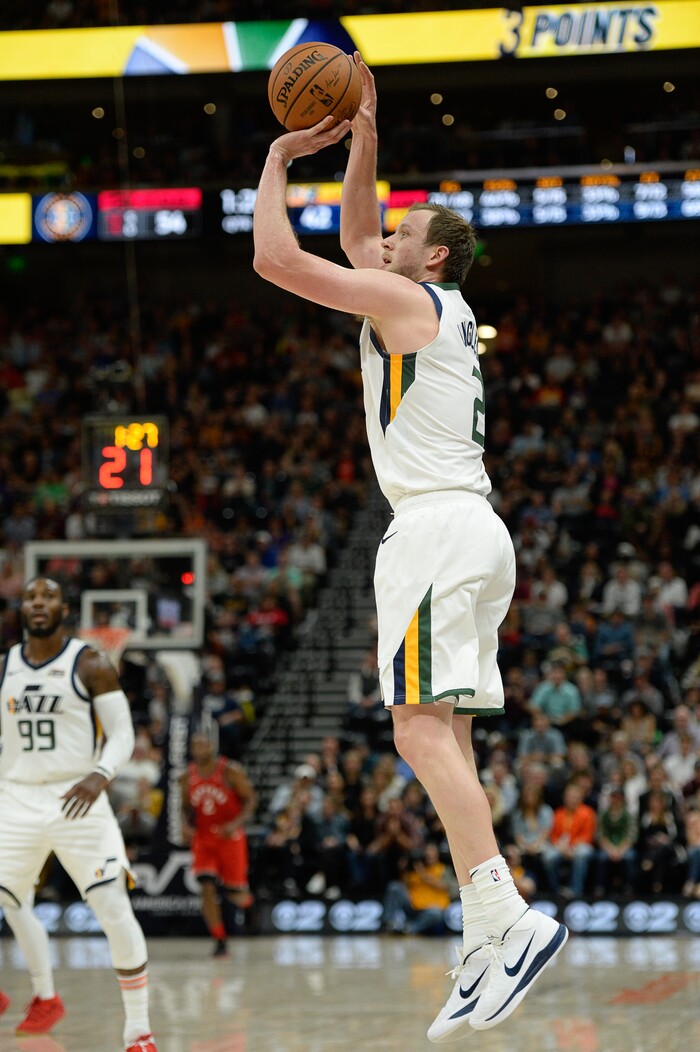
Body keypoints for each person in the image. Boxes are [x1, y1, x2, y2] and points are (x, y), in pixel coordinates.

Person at [253, 53, 567, 1043]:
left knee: (414, 733)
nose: (379, 238)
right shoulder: (440, 307)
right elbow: (352, 233)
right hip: (474, 531)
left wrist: (273, 158)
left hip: (433, 529)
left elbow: (281, 259)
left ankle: (504, 911)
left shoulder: (403, 303)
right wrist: (363, 135)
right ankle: (482, 939)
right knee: (451, 738)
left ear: (428, 258)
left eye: (400, 235)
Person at [0, 577, 157, 1051]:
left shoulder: (89, 662)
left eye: (48, 596)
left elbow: (123, 732)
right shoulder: (5, 665)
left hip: (78, 798)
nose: (38, 603)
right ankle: (43, 997)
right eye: (31, 597)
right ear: (22, 608)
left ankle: (138, 1031)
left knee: (112, 906)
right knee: (10, 898)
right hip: (17, 798)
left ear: (64, 608)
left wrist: (100, 775)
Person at [181, 731, 257, 957]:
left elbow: (251, 799)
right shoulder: (187, 777)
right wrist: (185, 825)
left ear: (212, 747)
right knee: (206, 886)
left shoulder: (229, 770)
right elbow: (185, 807)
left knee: (234, 892)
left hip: (229, 837)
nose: (199, 750)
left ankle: (249, 905)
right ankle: (219, 938)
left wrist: (236, 823)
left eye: (203, 745)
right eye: (195, 746)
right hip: (204, 838)